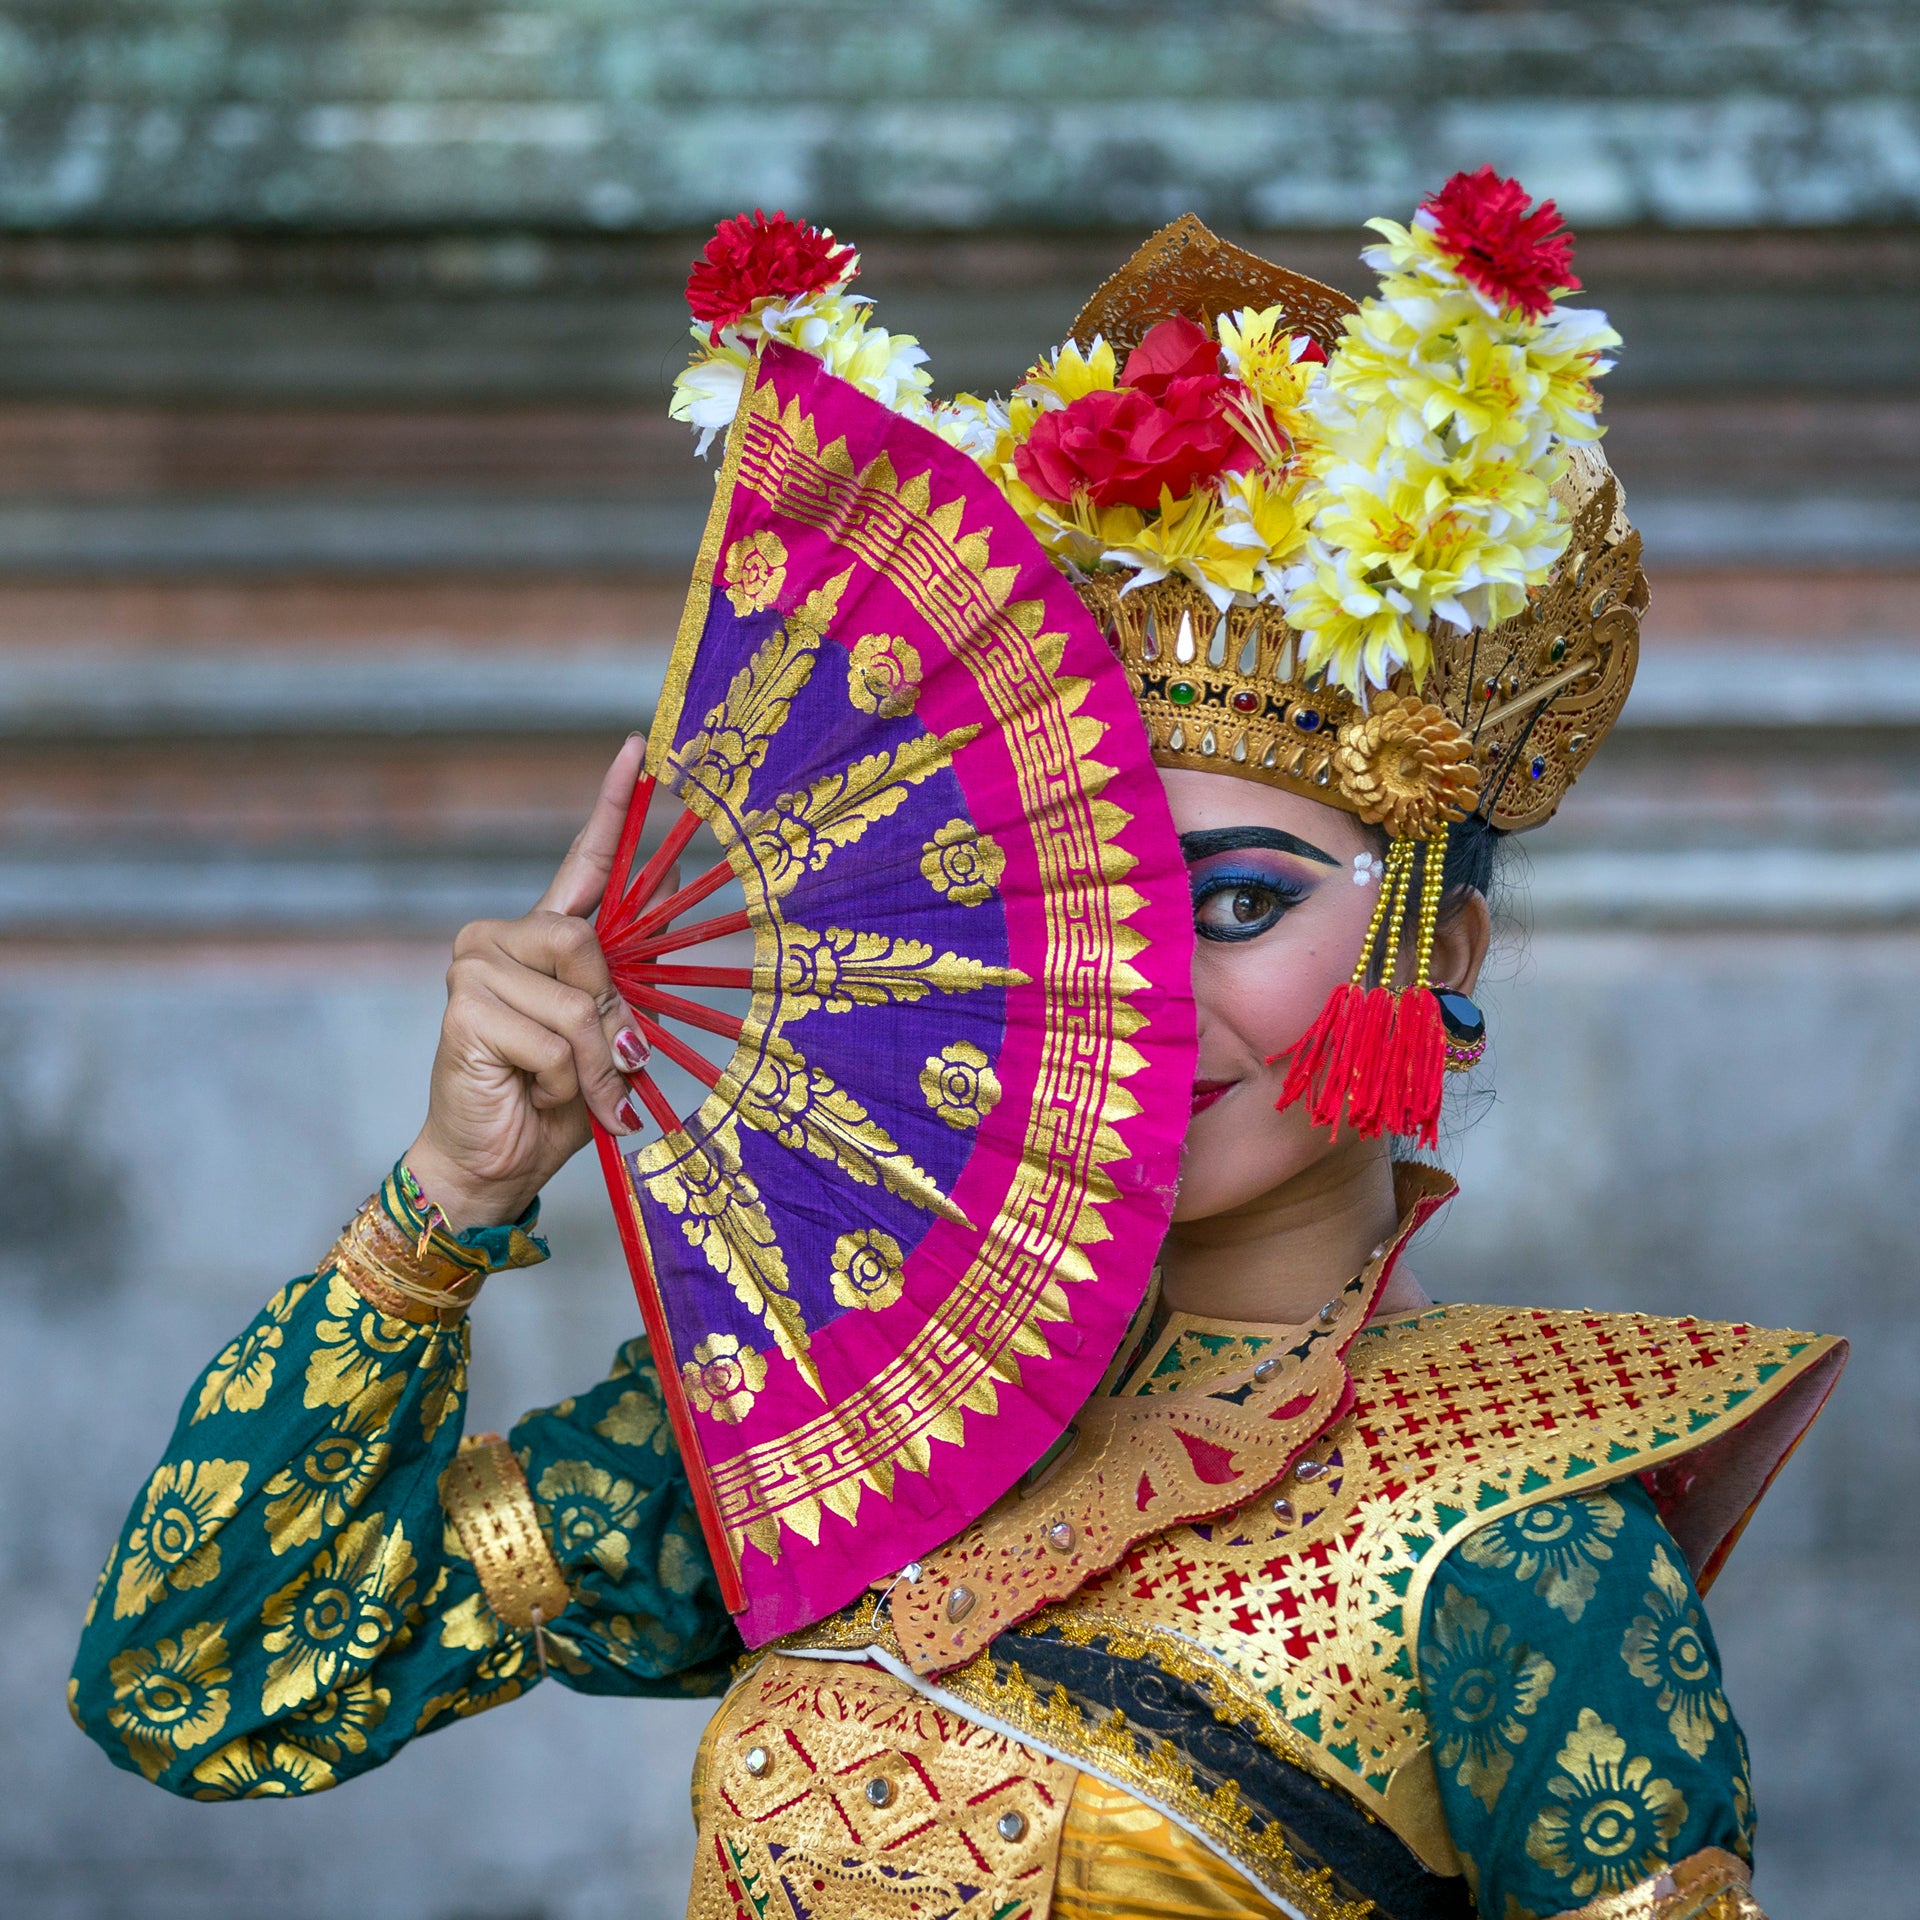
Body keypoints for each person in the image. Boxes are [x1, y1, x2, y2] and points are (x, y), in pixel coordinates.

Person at [72, 184, 1845, 1920]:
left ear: (1432, 951)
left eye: (1231, 907)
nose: (1136, 995)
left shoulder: (1513, 1532)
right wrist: (448, 1206)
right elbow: (206, 1689)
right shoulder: (841, 1403)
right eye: (1085, 908)